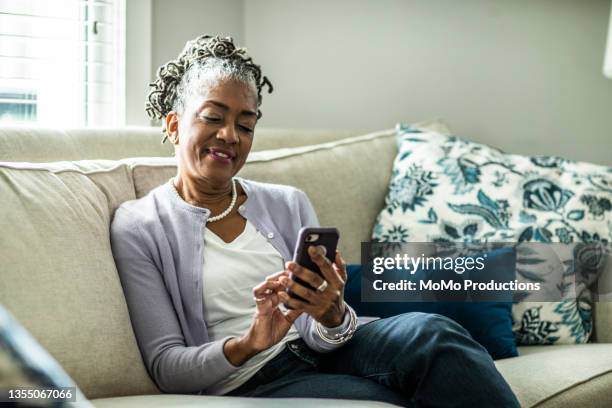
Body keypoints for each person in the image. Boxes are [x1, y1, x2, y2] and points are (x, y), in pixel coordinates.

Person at [110, 34, 519, 407]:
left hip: (337, 348)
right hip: (258, 379)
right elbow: (167, 365)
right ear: (175, 124)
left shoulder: (288, 203)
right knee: (386, 399)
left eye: (246, 124)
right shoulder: (140, 225)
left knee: (432, 332)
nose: (231, 136)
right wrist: (251, 342)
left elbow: (326, 334)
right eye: (214, 118)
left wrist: (333, 313)